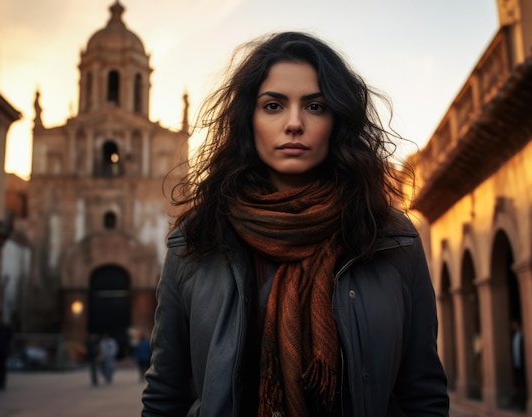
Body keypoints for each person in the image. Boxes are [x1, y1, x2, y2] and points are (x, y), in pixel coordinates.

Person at [142, 31, 449, 416]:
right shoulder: (196, 243)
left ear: (337, 120)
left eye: (315, 106)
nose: (294, 123)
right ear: (247, 120)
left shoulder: (391, 239)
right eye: (273, 106)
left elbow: (422, 393)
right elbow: (165, 395)